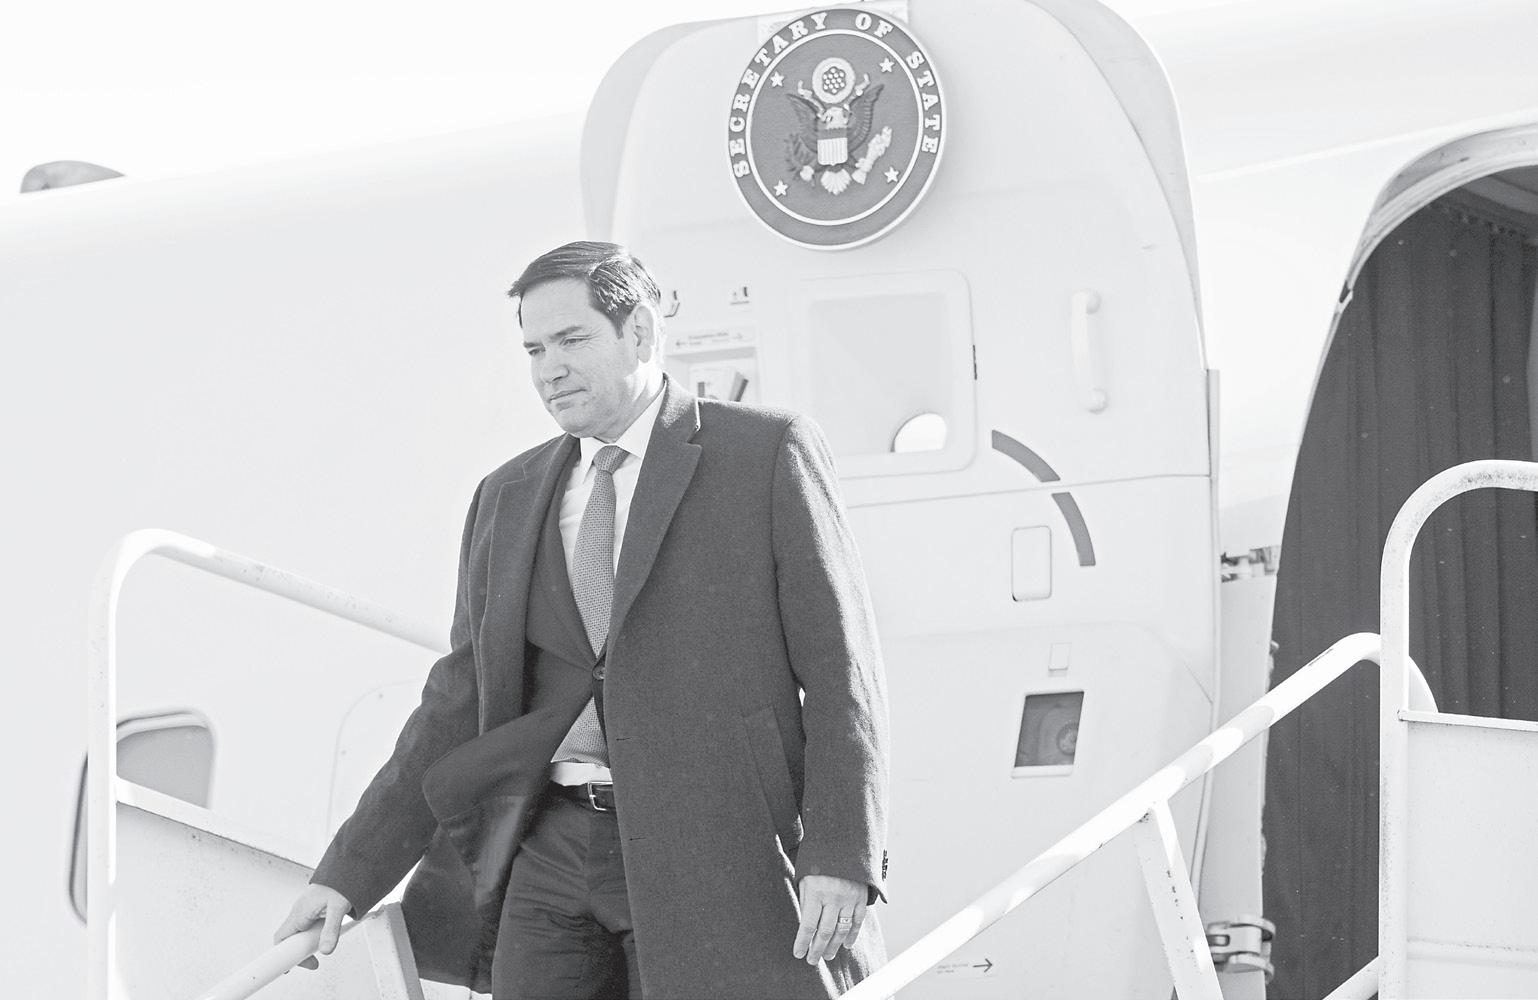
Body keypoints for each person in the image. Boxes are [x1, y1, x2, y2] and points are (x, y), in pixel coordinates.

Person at [274, 241, 890, 998]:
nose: (549, 370)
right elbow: (457, 701)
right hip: (551, 849)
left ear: (641, 332)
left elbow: (841, 672)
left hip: (718, 846)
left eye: (571, 340)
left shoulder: (764, 453)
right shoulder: (506, 495)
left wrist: (841, 853)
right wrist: (348, 874)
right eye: (534, 350)